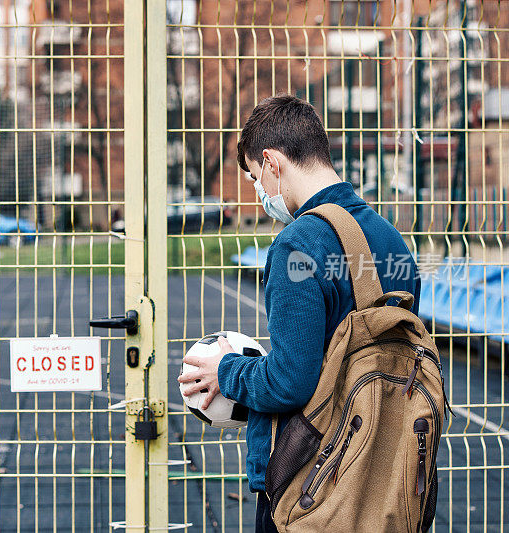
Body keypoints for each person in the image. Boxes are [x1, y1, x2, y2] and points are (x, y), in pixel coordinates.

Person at [177, 94, 421, 533]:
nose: (261, 193)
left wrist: (224, 371)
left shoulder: (299, 245)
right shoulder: (392, 242)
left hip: (312, 488)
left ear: (272, 162)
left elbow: (290, 381)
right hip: (390, 480)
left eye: (255, 178)